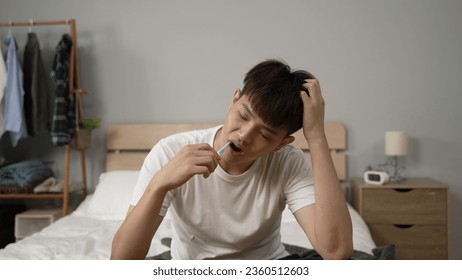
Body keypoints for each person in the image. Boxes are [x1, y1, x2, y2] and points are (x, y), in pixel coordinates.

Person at [111, 59, 353, 260]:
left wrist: (317, 138)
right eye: (243, 116)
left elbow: (337, 252)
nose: (244, 135)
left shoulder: (288, 162)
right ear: (234, 99)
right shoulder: (170, 151)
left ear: (281, 144)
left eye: (265, 134)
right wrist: (158, 185)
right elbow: (121, 261)